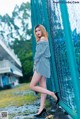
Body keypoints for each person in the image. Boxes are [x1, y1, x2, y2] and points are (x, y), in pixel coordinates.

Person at [30, 24, 59, 117]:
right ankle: (41, 109)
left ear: (42, 30)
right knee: (42, 87)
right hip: (44, 63)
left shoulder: (42, 40)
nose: (38, 32)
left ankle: (52, 93)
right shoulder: (44, 39)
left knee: (32, 85)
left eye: (39, 30)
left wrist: (35, 64)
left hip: (41, 64)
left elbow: (38, 54)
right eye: (36, 31)